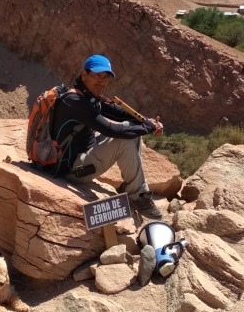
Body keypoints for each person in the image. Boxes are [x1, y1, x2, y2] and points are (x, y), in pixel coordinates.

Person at [49, 54, 164, 219]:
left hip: (82, 157)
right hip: (72, 170)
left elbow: (118, 113)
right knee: (126, 136)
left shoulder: (85, 95)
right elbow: (112, 130)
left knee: (131, 129)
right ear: (84, 74)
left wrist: (147, 122)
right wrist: (146, 128)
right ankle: (138, 195)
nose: (102, 82)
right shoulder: (76, 102)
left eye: (105, 77)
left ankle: (132, 187)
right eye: (97, 75)